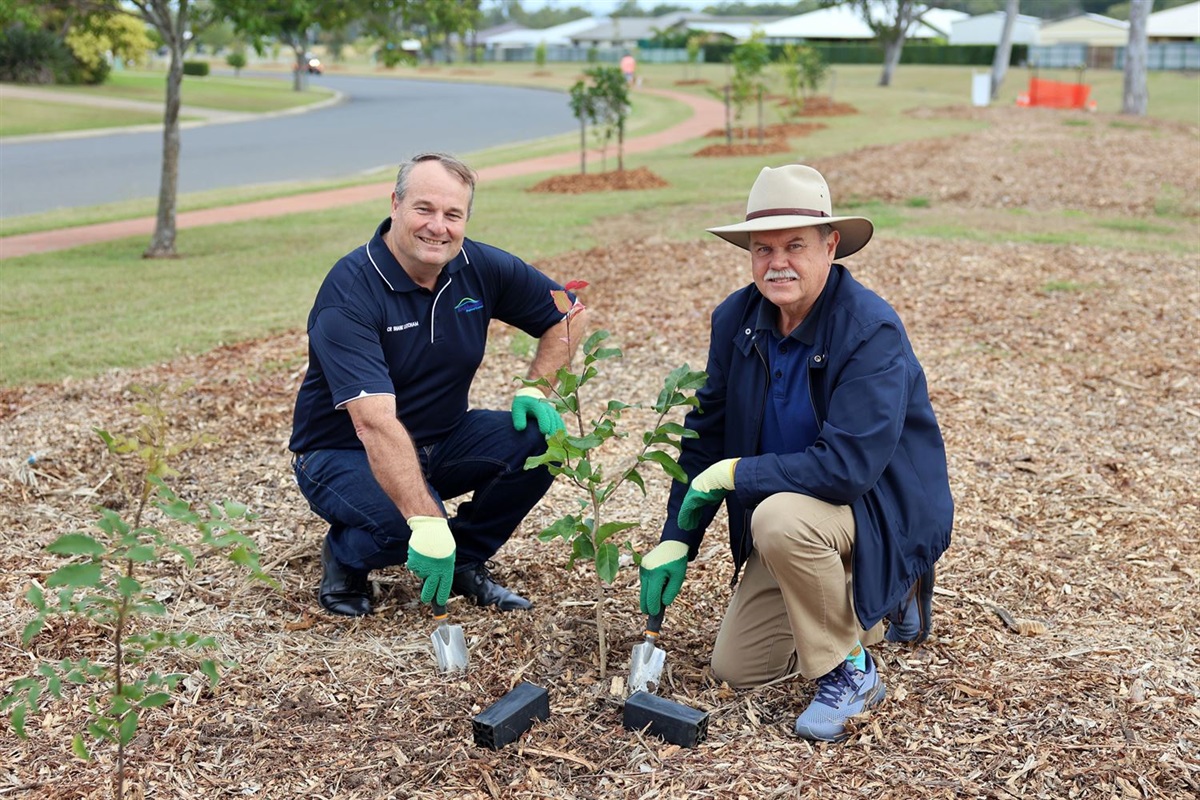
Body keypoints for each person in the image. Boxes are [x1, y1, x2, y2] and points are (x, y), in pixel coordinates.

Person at [638, 164, 953, 742]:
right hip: (799, 513)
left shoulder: (871, 330)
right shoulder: (738, 319)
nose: (777, 262)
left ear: (831, 246)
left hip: (877, 508)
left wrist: (736, 473)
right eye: (763, 248)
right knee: (737, 669)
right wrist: (675, 538)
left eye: (795, 246)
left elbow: (848, 468)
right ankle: (868, 607)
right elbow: (706, 431)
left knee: (777, 520)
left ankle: (851, 670)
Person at [290, 152, 586, 618]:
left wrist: (535, 389)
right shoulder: (349, 294)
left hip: (442, 438)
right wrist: (426, 520)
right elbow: (373, 424)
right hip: (341, 452)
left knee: (544, 440)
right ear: (395, 204)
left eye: (453, 214)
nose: (438, 227)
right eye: (424, 209)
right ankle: (345, 556)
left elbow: (567, 313)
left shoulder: (478, 266)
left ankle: (465, 557)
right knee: (404, 528)